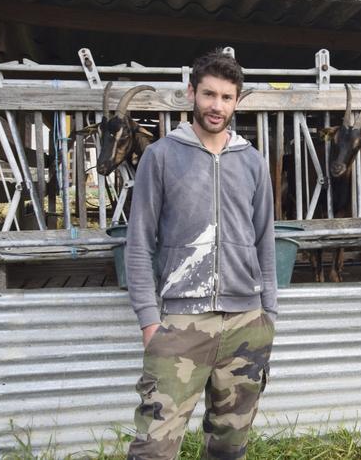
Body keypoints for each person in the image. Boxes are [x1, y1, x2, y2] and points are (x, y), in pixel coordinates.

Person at [124, 49, 277, 460]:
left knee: (230, 447)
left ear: (237, 102)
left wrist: (269, 315)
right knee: (153, 448)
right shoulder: (161, 157)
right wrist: (149, 321)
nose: (216, 106)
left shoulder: (252, 162)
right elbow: (138, 243)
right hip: (180, 325)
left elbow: (266, 240)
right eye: (209, 94)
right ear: (191, 93)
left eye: (227, 97)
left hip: (246, 324)